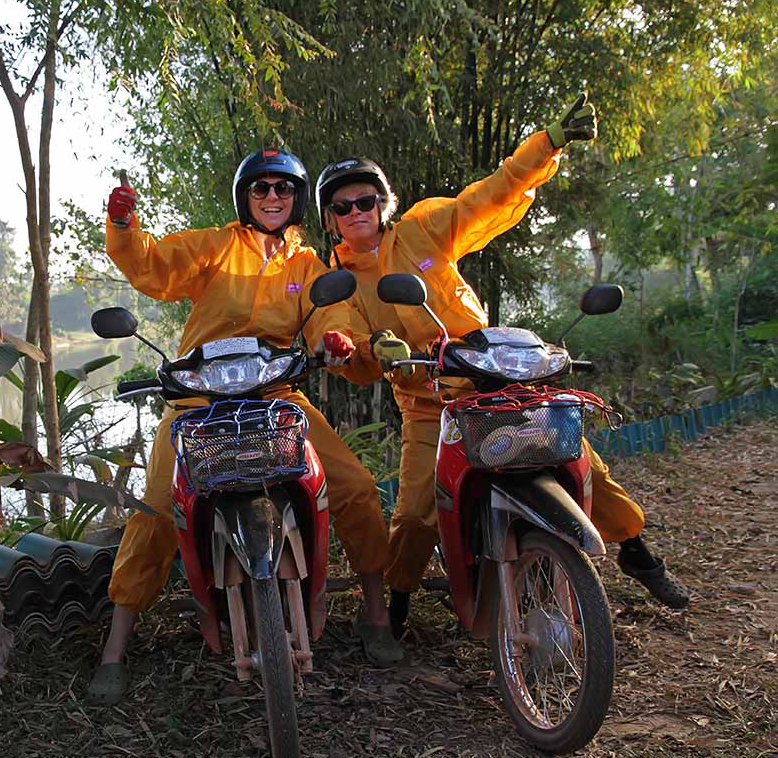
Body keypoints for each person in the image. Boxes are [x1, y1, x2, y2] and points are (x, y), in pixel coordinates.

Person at [315, 95, 691, 638]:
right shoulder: (339, 279)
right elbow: (346, 346)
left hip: (489, 375)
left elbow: (488, 197)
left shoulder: (423, 230)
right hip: (427, 402)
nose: (357, 214)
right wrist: (369, 351)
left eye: (366, 201)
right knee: (418, 509)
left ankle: (636, 549)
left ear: (383, 204)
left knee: (576, 456)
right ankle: (396, 601)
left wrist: (547, 144)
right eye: (344, 207)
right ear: (330, 219)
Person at [86, 148, 403, 705]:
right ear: (246, 197)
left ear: (298, 199)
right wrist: (123, 226)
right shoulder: (214, 246)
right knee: (159, 505)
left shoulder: (308, 264)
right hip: (197, 398)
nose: (273, 197)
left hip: (277, 392)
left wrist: (337, 338)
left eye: (283, 188)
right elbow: (153, 267)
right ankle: (116, 645)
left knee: (352, 485)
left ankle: (375, 611)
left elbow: (331, 311)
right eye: (261, 188)